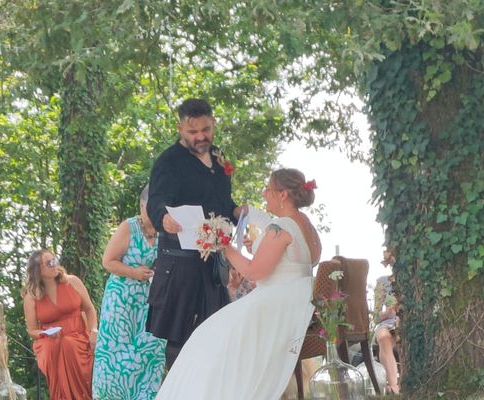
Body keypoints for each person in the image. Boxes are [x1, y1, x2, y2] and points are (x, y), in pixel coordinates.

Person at [156, 168, 322, 399]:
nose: (265, 194)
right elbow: (299, 262)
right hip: (298, 298)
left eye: (268, 189)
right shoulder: (306, 225)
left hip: (279, 302)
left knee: (208, 335)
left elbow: (254, 272)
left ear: (282, 194)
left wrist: (225, 247)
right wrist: (259, 247)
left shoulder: (281, 226)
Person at [146, 98, 244, 368]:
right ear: (180, 128)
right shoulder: (168, 161)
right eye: (193, 131)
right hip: (180, 264)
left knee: (216, 337)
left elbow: (223, 202)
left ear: (213, 124)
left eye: (206, 129)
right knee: (182, 343)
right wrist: (163, 218)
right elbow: (155, 201)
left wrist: (236, 212)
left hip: (214, 264)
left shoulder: (220, 158)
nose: (201, 136)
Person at [93, 184, 166, 399]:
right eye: (149, 208)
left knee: (152, 347)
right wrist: (134, 272)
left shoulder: (165, 230)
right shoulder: (129, 227)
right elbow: (107, 261)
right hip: (122, 299)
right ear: (142, 205)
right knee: (118, 352)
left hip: (150, 300)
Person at [22, 249, 98, 400]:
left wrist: (94, 332)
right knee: (61, 344)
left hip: (79, 334)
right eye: (49, 263)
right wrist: (45, 333)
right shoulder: (31, 297)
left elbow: (90, 309)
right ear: (38, 270)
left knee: (68, 344)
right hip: (49, 340)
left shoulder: (73, 281)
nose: (55, 264)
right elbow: (32, 330)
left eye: (55, 260)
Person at [373, 274, 400, 394]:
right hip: (387, 323)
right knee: (384, 337)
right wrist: (388, 311)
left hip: (406, 322)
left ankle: (405, 383)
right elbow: (376, 318)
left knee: (404, 337)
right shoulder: (382, 281)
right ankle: (394, 387)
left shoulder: (413, 278)